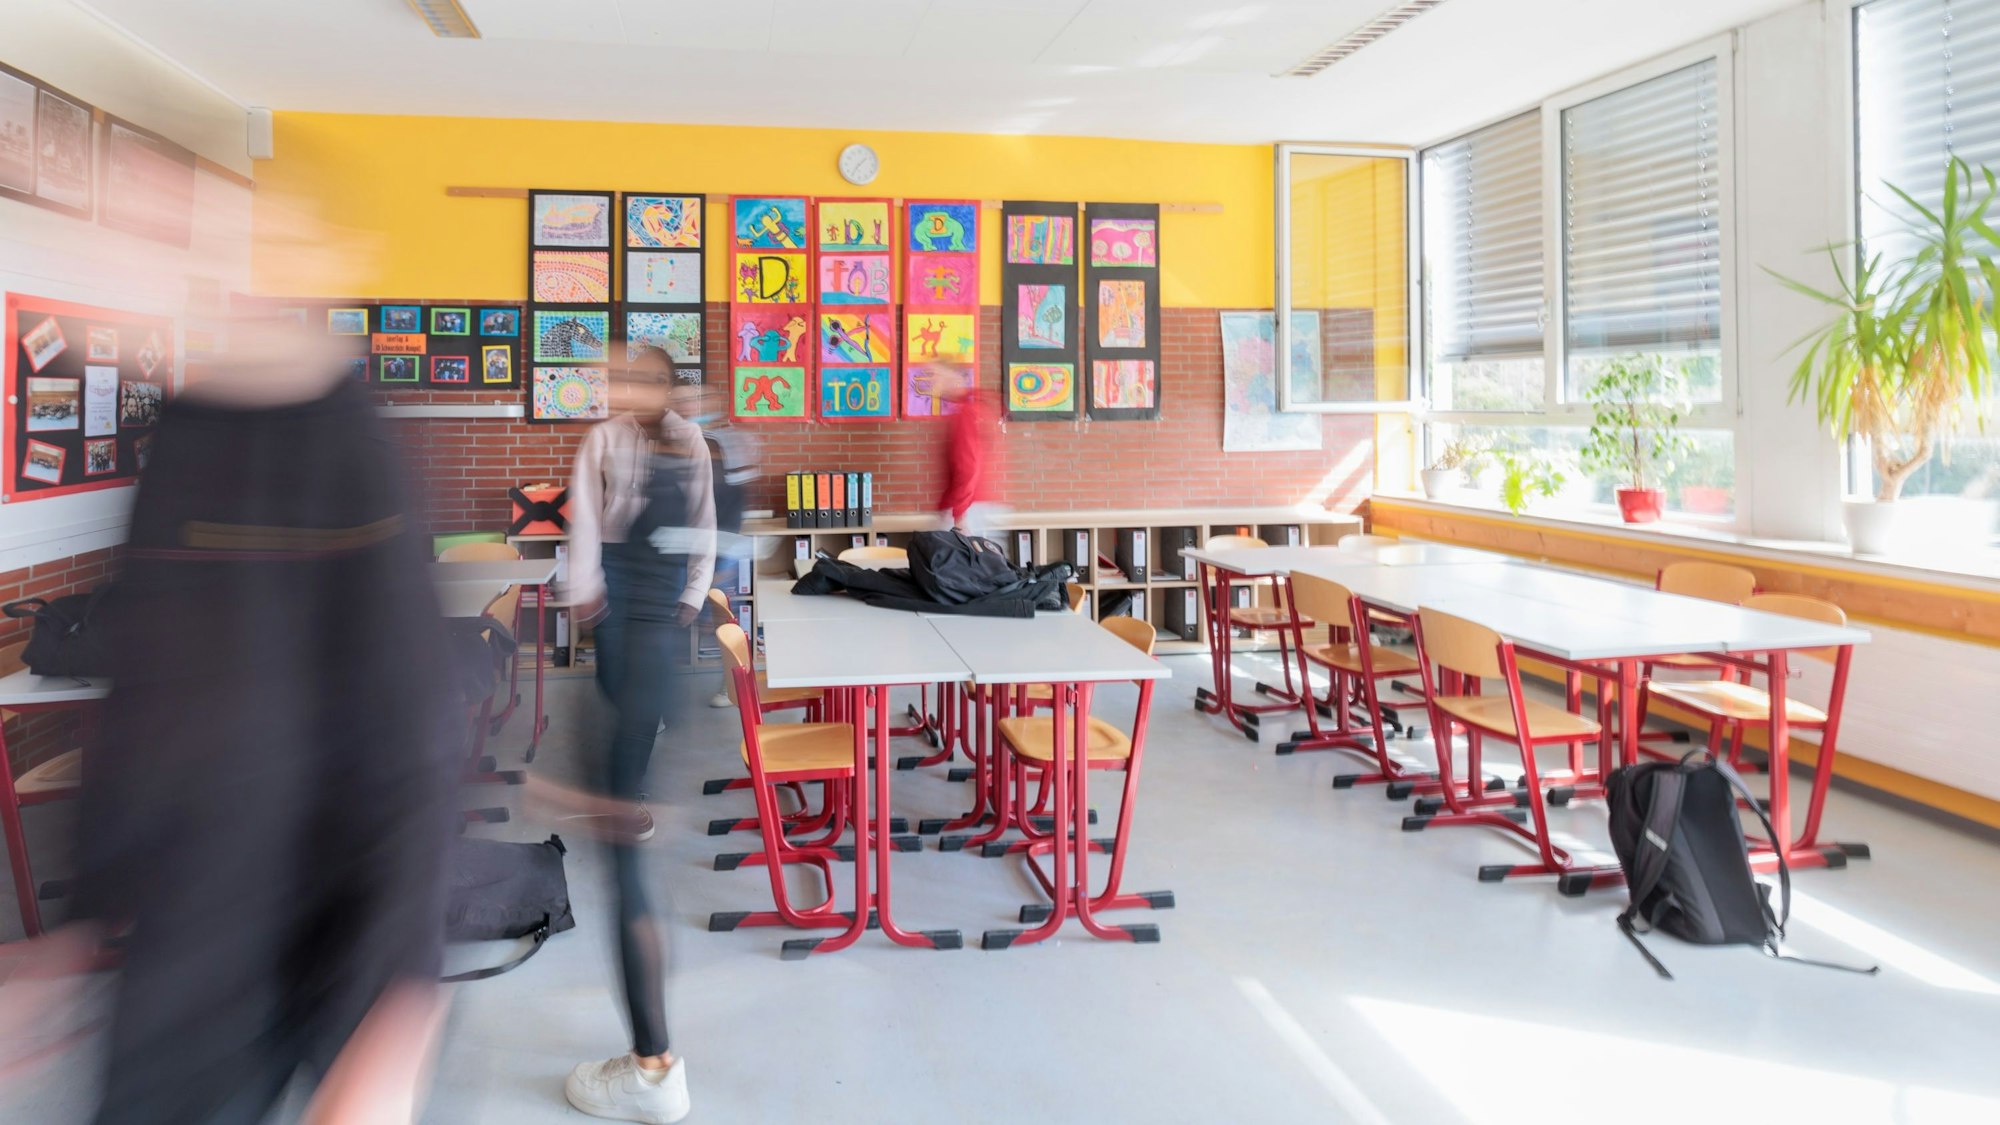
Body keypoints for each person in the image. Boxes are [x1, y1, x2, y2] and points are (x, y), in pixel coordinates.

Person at [0, 309, 460, 1125]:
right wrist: (77, 924)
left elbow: (413, 726)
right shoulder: (185, 435)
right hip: (191, 922)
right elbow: (143, 699)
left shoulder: (353, 445)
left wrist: (402, 990)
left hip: (334, 914)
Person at [554, 345, 712, 1124]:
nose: (625, 387)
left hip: (654, 618)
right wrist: (588, 599)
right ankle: (652, 1058)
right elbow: (584, 523)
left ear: (666, 385)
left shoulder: (690, 442)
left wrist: (692, 597)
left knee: (624, 853)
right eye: (618, 377)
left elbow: (704, 528)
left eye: (640, 376)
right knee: (623, 829)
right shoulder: (604, 438)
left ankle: (654, 1067)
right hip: (620, 612)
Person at [933, 367, 1004, 540]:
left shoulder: (966, 414)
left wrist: (959, 514)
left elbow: (968, 466)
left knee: (959, 556)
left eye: (938, 377)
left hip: (969, 509)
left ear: (955, 380)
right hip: (978, 505)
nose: (935, 383)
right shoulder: (976, 409)